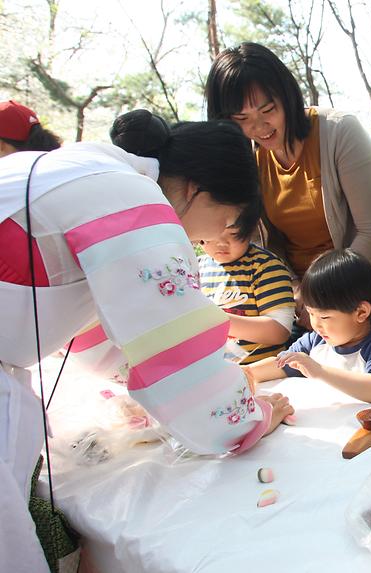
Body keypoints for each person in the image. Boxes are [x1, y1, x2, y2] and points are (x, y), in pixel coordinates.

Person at [0, 115, 292, 572]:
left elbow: (93, 333)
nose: (215, 237)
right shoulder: (132, 198)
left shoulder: (84, 168)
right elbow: (178, 350)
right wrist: (248, 417)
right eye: (228, 219)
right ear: (196, 188)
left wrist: (137, 390)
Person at [205, 42, 371, 336]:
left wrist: (320, 297)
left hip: (357, 293)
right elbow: (269, 242)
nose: (260, 127)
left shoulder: (339, 132)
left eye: (268, 110)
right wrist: (296, 292)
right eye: (242, 119)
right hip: (299, 302)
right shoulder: (248, 159)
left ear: (286, 95)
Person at [244, 249, 371, 404]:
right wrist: (247, 373)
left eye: (324, 317)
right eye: (311, 314)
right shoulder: (314, 341)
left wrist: (320, 371)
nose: (316, 324)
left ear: (361, 312)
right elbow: (281, 364)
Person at [198, 201, 297, 364]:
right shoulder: (198, 267)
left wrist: (213, 320)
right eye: (213, 234)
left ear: (250, 230)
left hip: (262, 372)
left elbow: (279, 331)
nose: (222, 243)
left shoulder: (265, 267)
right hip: (214, 370)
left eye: (233, 233)